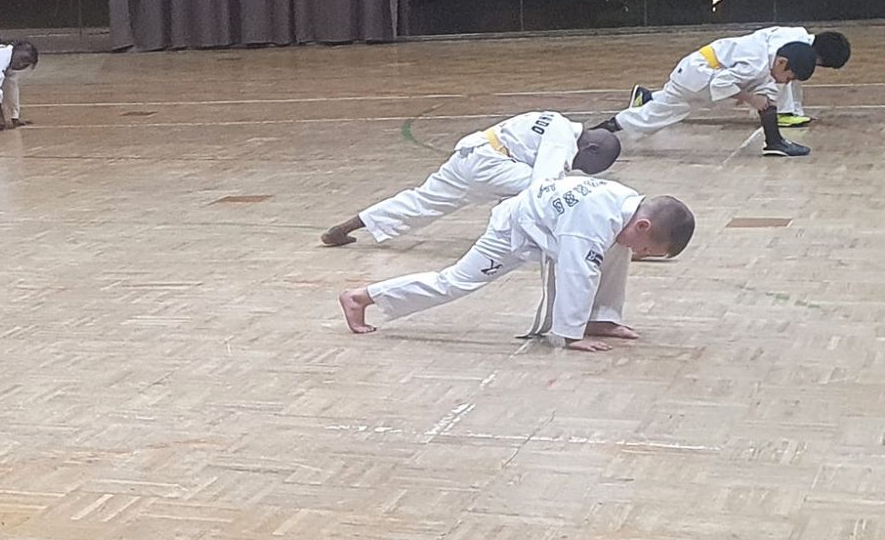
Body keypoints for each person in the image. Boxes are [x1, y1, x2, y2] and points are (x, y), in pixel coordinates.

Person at [339, 176, 695, 351]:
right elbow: (576, 275)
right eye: (647, 248)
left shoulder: (625, 204)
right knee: (455, 281)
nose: (641, 254)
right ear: (643, 225)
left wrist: (597, 320)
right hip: (512, 231)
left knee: (617, 250)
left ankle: (601, 318)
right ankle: (361, 297)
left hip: (541, 220)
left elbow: (599, 261)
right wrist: (570, 336)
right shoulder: (592, 224)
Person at [321, 113, 618, 248]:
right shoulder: (563, 139)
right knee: (553, 192)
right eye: (583, 165)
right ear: (590, 148)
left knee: (421, 200)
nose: (576, 167)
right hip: (491, 165)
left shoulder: (554, 118)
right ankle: (583, 240)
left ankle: (345, 228)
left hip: (472, 154)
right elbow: (545, 186)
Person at [597, 28, 845, 157]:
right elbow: (720, 83)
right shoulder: (755, 64)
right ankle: (596, 134)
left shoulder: (778, 56)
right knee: (654, 116)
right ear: (781, 63)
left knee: (653, 115)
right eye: (789, 78)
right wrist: (749, 98)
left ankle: (774, 142)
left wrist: (755, 96)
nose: (787, 83)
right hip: (697, 74)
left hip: (703, 73)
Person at [768, 29, 851, 130]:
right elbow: (777, 72)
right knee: (783, 74)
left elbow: (795, 82)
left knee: (792, 74)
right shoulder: (794, 45)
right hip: (755, 63)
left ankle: (790, 111)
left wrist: (797, 112)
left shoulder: (800, 40)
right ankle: (782, 113)